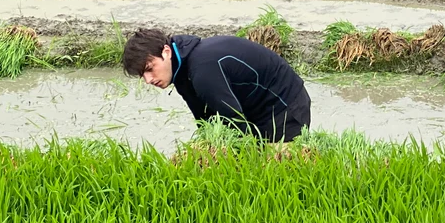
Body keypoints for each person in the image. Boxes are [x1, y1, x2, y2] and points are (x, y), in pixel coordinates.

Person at [122, 28, 312, 142]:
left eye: (149, 68)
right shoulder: (181, 70)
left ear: (165, 52)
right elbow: (206, 122)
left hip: (285, 106)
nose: (148, 80)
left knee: (277, 174)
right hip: (256, 108)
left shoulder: (203, 70)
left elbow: (235, 122)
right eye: (142, 76)